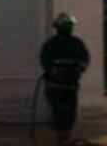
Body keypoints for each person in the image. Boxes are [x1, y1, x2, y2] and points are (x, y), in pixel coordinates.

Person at [39, 12, 90, 145]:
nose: (68, 28)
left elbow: (85, 59)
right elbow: (45, 61)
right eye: (65, 25)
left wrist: (79, 69)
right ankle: (61, 137)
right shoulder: (51, 44)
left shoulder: (77, 43)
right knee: (60, 112)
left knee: (70, 112)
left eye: (69, 25)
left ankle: (65, 135)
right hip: (55, 86)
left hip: (71, 85)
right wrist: (53, 71)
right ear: (58, 27)